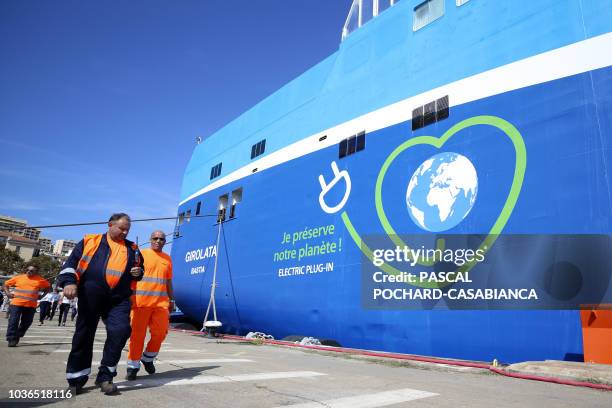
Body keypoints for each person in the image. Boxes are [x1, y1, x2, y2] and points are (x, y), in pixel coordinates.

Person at [57, 213, 143, 395]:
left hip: (118, 299)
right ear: (110, 224)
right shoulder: (90, 241)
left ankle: (105, 377)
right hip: (91, 295)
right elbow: (70, 263)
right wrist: (69, 282)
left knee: (120, 332)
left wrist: (138, 272)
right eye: (121, 228)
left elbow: (139, 269)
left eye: (128, 229)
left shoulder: (133, 248)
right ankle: (76, 379)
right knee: (84, 333)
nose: (125, 232)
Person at [126, 231, 174, 380]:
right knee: (137, 336)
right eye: (155, 238)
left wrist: (172, 299)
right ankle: (133, 366)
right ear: (150, 239)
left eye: (161, 239)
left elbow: (168, 282)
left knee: (160, 333)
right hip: (141, 303)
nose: (158, 241)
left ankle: (148, 358)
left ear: (165, 241)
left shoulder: (167, 259)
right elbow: (130, 275)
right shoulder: (141, 254)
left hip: (161, 304)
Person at [3, 264, 51, 346]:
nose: (29, 271)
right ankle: (11, 339)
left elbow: (48, 287)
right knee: (13, 321)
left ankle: (18, 334)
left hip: (31, 305)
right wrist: (7, 293)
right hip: (16, 304)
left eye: (32, 271)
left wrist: (42, 295)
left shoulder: (40, 280)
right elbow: (5, 284)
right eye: (28, 270)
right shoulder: (19, 277)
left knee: (27, 322)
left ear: (36, 272)